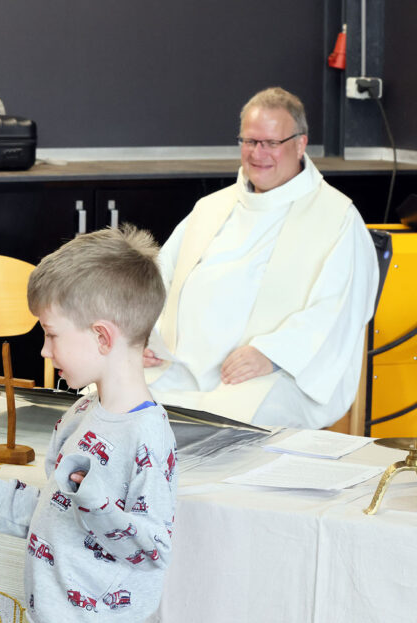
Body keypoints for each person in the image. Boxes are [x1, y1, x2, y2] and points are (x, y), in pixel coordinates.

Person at [0, 226, 178, 623]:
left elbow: (153, 549)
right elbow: (51, 515)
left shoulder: (146, 436)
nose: (44, 349)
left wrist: (97, 504)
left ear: (103, 337)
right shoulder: (82, 413)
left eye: (51, 333)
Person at [144, 86, 379, 429]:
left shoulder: (337, 217)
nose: (258, 153)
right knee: (108, 397)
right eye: (250, 141)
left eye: (271, 142)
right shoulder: (210, 209)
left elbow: (338, 307)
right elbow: (157, 279)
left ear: (300, 144)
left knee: (229, 431)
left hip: (272, 374)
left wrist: (273, 354)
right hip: (178, 365)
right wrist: (143, 337)